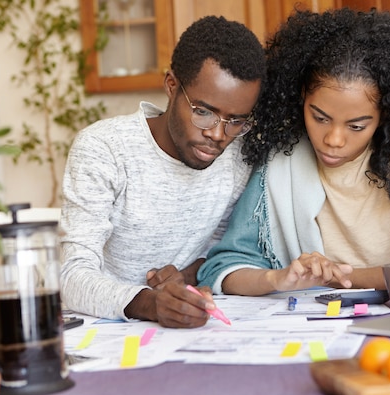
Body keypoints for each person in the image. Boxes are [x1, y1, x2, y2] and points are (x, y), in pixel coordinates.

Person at [197, 8, 390, 296]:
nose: (333, 139)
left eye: (356, 126)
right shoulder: (281, 162)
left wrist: (333, 277)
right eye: (319, 118)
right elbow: (222, 268)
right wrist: (280, 279)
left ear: (384, 115)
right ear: (301, 98)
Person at [59, 16, 266, 327]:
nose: (218, 134)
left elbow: (225, 250)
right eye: (204, 112)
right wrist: (151, 303)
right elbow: (71, 275)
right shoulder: (105, 149)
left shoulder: (237, 156)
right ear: (172, 86)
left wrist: (186, 276)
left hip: (188, 330)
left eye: (236, 120)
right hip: (100, 330)